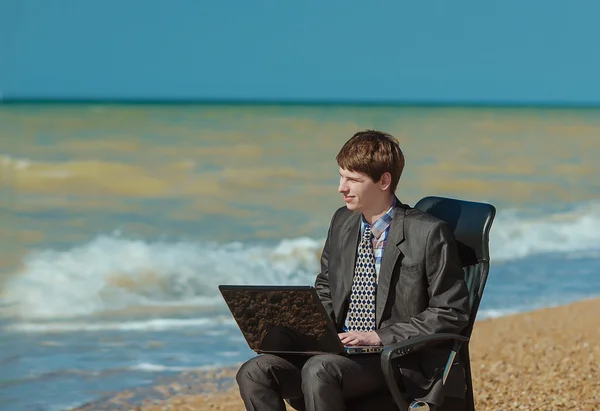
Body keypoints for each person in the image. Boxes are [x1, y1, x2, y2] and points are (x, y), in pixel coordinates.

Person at [236, 130, 470, 411]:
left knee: (319, 370)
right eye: (340, 176)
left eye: (353, 180)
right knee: (255, 371)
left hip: (394, 360)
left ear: (384, 180)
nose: (341, 187)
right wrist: (299, 332)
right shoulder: (342, 221)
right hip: (337, 350)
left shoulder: (428, 233)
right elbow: (325, 285)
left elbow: (451, 312)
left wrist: (378, 336)